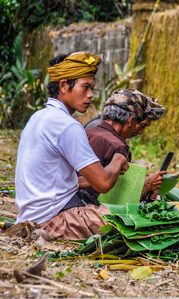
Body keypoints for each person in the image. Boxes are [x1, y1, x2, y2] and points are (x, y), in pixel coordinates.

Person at [15, 52, 129, 240]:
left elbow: (60, 182)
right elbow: (103, 183)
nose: (90, 95)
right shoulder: (67, 125)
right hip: (52, 220)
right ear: (64, 86)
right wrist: (117, 160)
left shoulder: (38, 117)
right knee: (132, 221)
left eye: (91, 88)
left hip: (29, 218)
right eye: (85, 87)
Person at [83, 89, 166, 199]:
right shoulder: (118, 146)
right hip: (91, 208)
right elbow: (121, 202)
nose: (139, 131)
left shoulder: (84, 133)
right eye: (138, 123)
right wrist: (147, 185)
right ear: (130, 120)